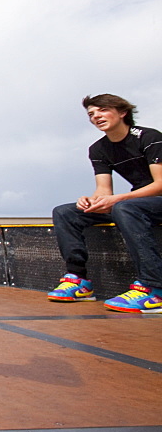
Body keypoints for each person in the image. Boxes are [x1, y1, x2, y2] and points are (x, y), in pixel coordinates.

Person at [47, 94, 162, 313]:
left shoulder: (149, 137)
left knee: (124, 207)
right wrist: (91, 201)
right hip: (135, 205)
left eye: (102, 110)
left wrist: (117, 199)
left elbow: (160, 185)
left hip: (153, 201)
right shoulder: (98, 149)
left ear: (122, 112)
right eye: (91, 114)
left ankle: (154, 288)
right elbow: (104, 191)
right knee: (65, 212)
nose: (96, 116)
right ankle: (79, 282)